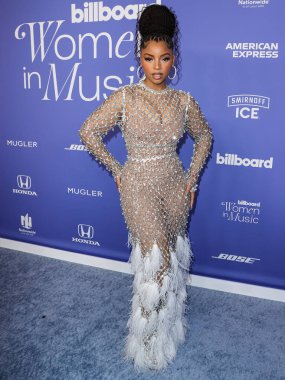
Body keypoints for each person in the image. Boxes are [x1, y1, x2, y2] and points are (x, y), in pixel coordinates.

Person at [79, 3, 213, 372]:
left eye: (164, 58)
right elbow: (88, 131)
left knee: (171, 259)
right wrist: (117, 169)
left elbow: (204, 137)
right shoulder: (125, 97)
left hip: (174, 184)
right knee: (156, 262)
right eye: (149, 58)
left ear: (173, 60)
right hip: (137, 184)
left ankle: (170, 329)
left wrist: (192, 179)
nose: (157, 67)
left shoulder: (184, 102)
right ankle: (146, 343)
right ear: (139, 58)